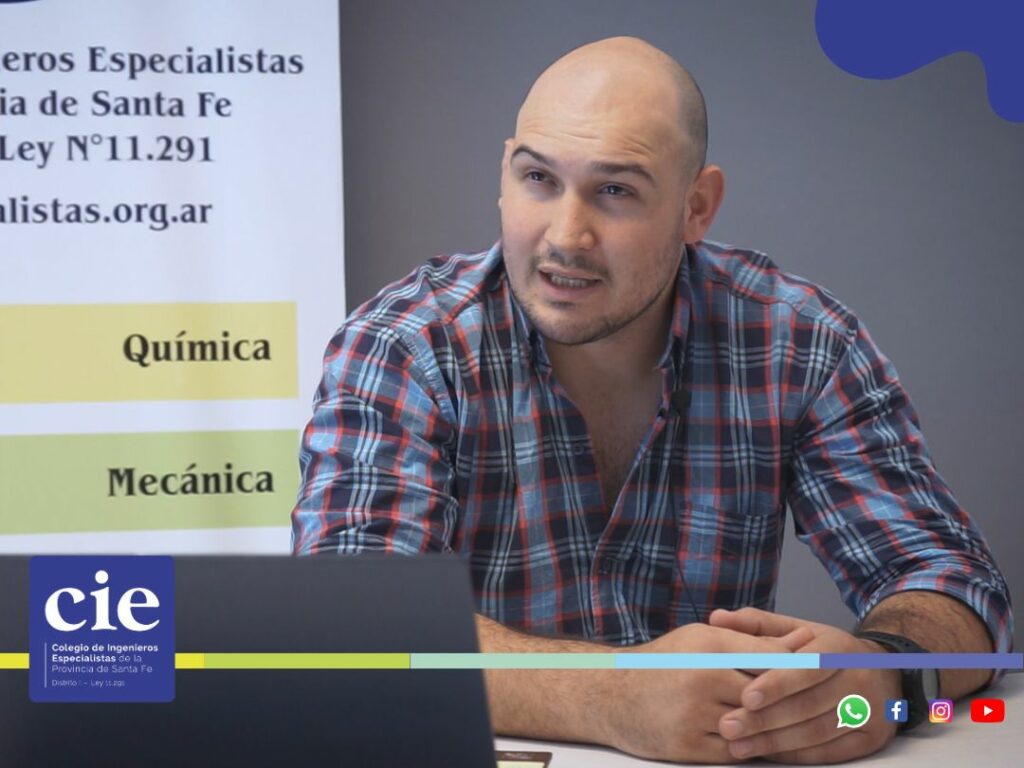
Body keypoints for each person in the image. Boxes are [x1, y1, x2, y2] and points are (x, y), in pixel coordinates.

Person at [292, 36, 1012, 764]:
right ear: (505, 178)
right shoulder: (405, 346)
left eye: (616, 190)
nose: (566, 237)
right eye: (538, 177)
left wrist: (886, 673)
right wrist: (606, 692)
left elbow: (955, 583)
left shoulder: (799, 342)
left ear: (697, 206)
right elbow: (349, 628)